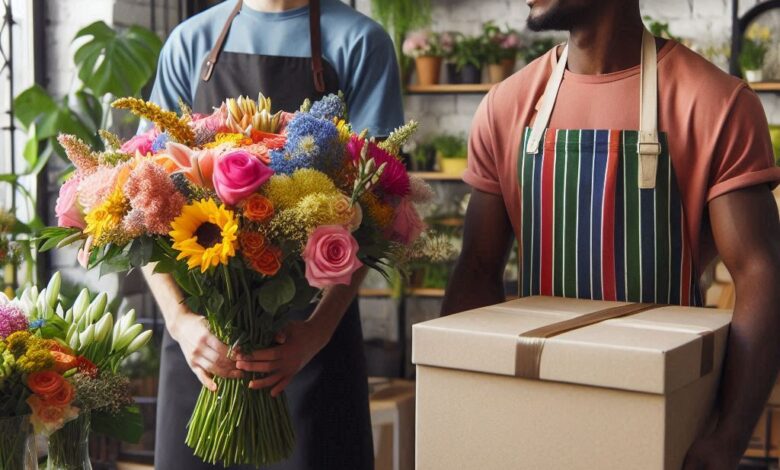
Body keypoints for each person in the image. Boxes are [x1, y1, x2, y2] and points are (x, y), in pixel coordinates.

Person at [442, 0, 780, 468]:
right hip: (528, 417)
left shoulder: (717, 104)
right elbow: (477, 271)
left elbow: (760, 272)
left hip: (663, 421)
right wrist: (457, 411)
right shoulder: (505, 106)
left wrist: (728, 437)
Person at [141, 1, 404, 469]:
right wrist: (180, 321)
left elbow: (378, 205)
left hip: (307, 342)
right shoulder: (191, 42)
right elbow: (141, 196)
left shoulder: (360, 43)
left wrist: (317, 333)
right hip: (202, 345)